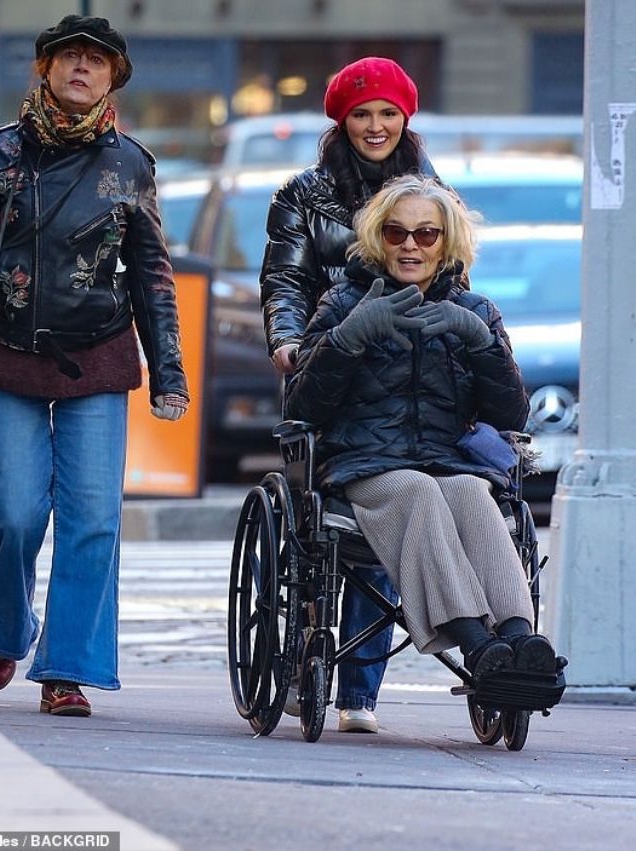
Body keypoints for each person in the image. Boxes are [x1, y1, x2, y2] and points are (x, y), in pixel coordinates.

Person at [0, 14, 189, 718]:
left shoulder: (131, 165)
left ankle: (66, 668)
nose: (83, 67)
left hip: (98, 355)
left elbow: (152, 275)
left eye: (98, 60)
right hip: (8, 355)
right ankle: (6, 630)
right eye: (69, 57)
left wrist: (168, 371)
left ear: (114, 77)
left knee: (93, 518)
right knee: (12, 513)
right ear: (43, 69)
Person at [285, 173, 559, 688]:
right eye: (396, 233)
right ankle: (478, 646)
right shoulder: (344, 305)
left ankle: (521, 642)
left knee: (473, 494)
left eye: (426, 234)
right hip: (364, 467)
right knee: (417, 490)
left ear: (445, 243)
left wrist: (482, 344)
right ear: (377, 238)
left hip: (448, 461)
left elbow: (509, 417)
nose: (410, 245)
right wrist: (347, 340)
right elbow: (304, 405)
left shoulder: (476, 311)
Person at [260, 56, 435, 733]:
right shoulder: (303, 194)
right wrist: (286, 339)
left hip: (403, 375)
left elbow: (451, 275)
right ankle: (310, 665)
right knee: (321, 530)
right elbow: (284, 280)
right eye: (362, 113)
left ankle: (359, 692)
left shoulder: (427, 191)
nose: (375, 125)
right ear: (341, 121)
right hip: (328, 365)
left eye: (387, 113)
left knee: (396, 492)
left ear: (404, 119)